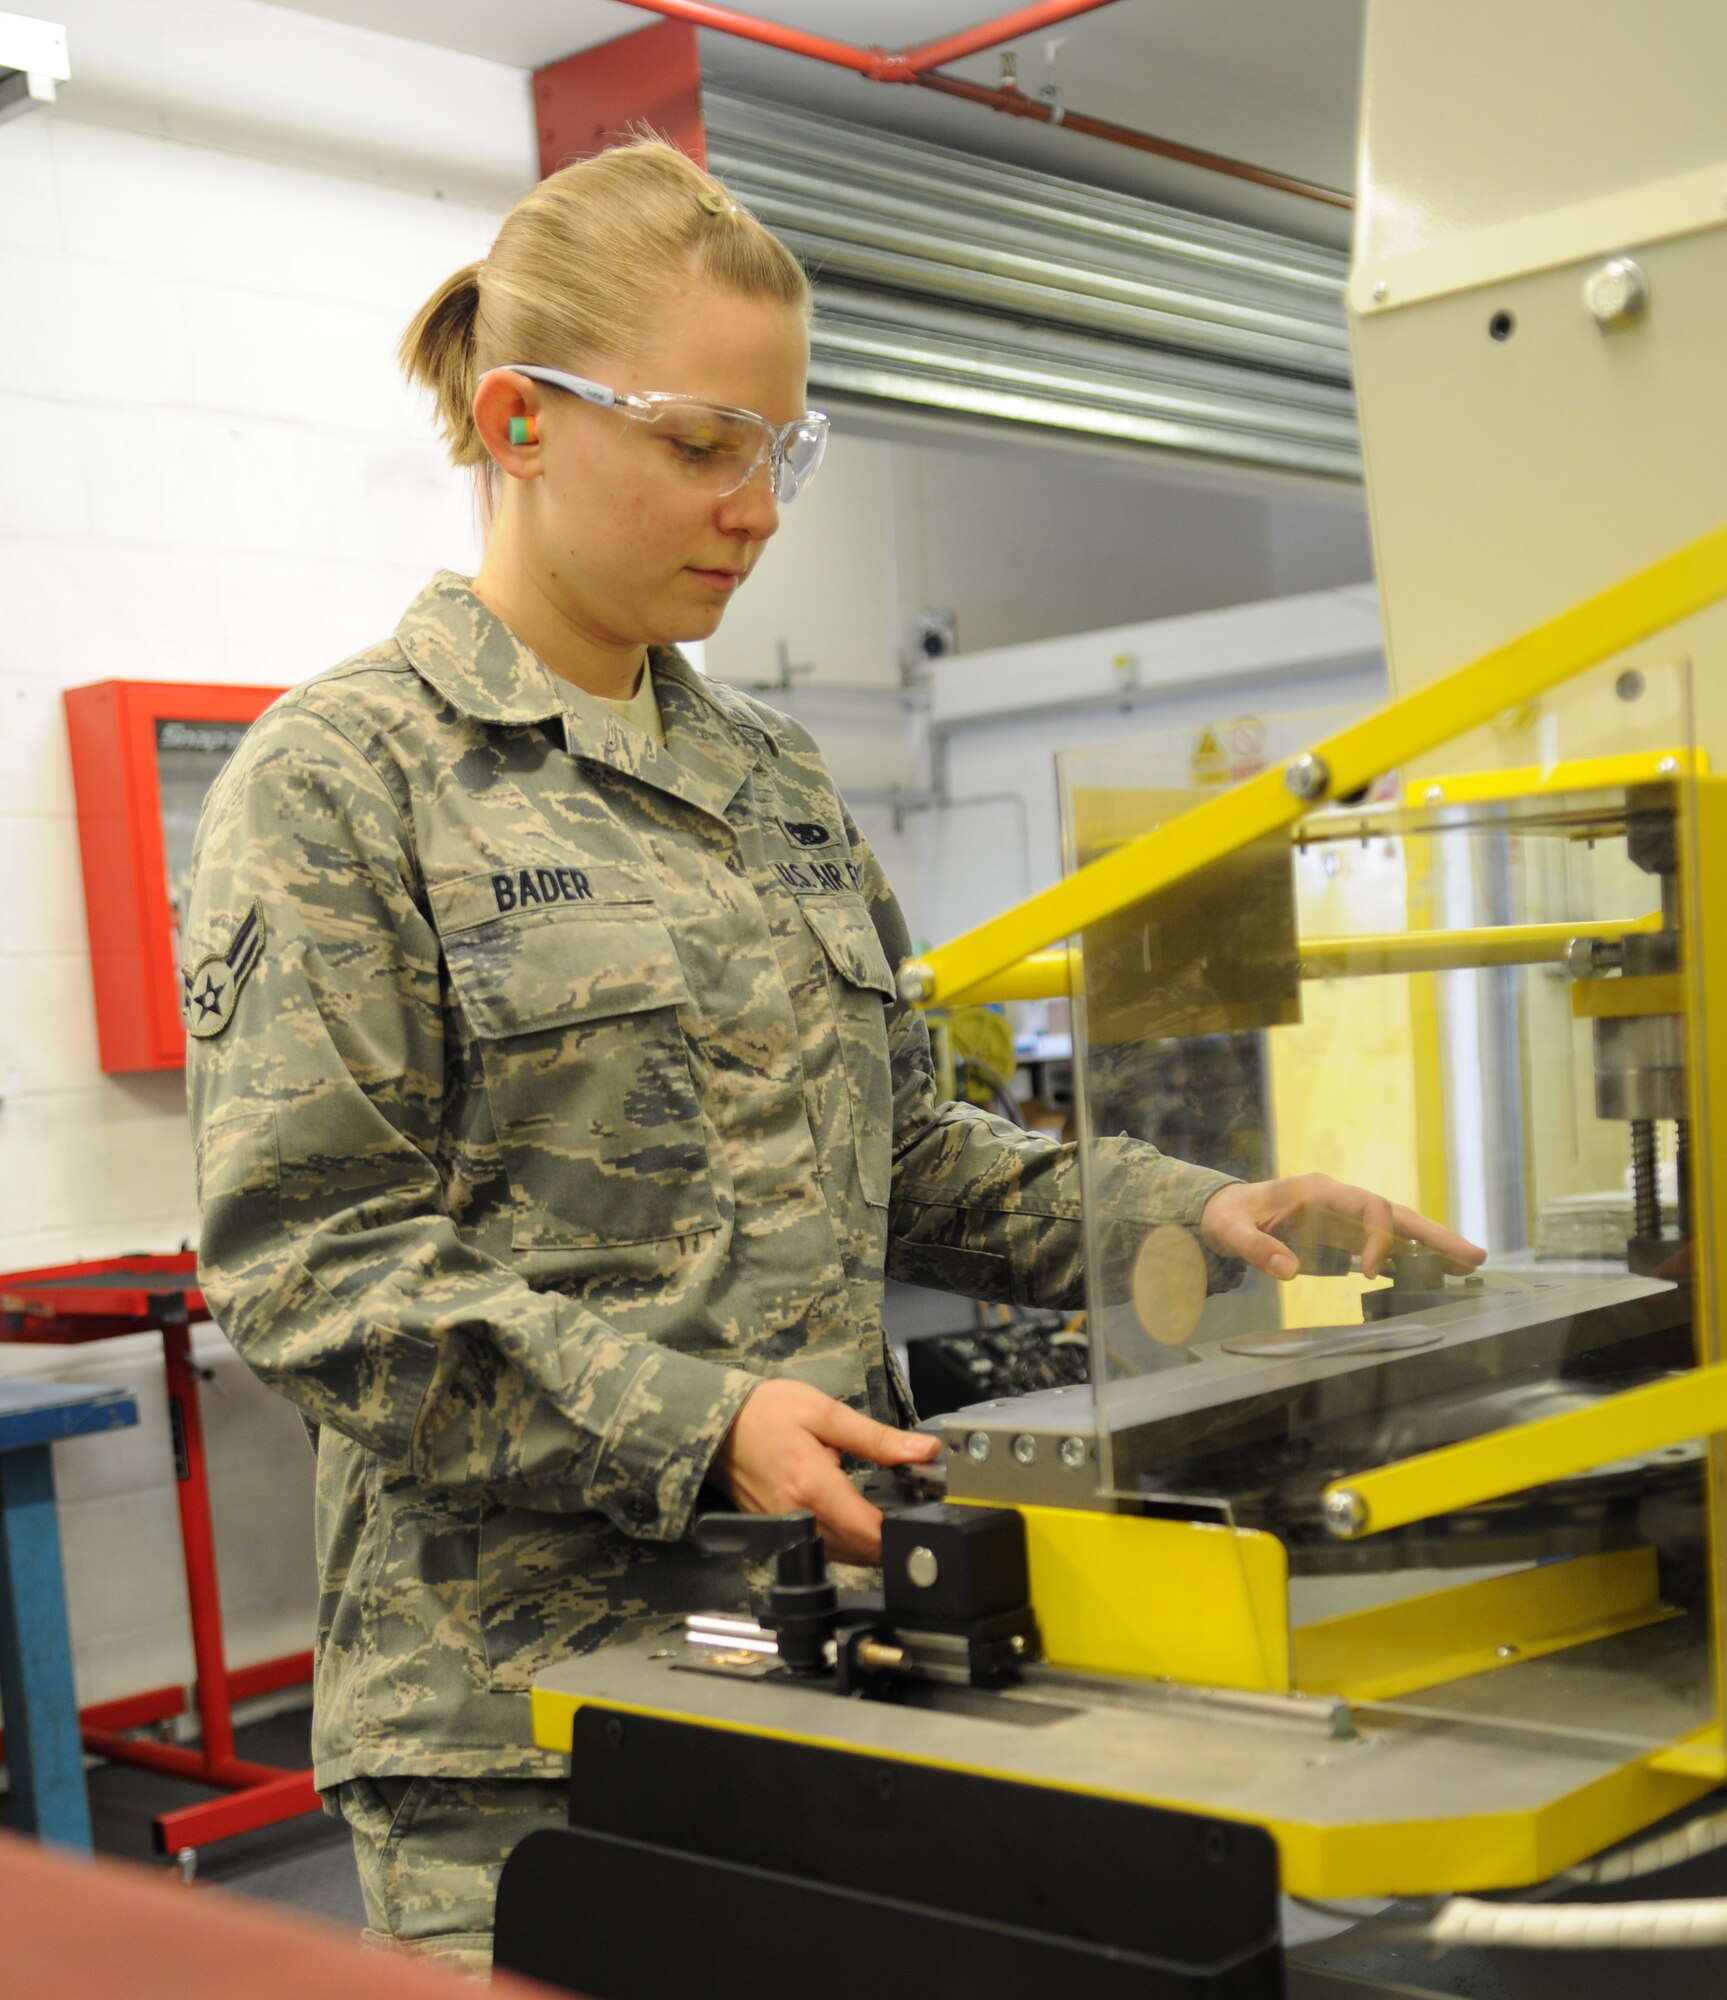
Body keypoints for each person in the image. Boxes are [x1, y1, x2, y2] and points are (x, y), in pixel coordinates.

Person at [182, 139, 1481, 1976]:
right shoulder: (342, 785)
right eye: (703, 444)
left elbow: (909, 1153)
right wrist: (705, 1429)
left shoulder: (774, 786)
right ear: (520, 420)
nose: (758, 505)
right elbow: (309, 1268)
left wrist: (1202, 1209)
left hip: (830, 1654)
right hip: (519, 1720)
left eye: (781, 454)